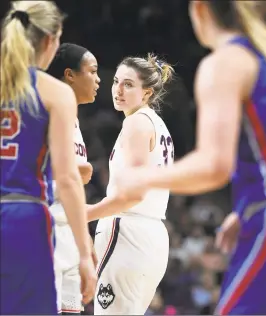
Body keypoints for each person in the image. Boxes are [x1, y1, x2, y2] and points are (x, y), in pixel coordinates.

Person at [115, 1, 266, 315]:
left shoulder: (226, 63)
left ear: (198, 9)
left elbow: (213, 165)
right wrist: (245, 207)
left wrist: (138, 178)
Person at [0, 2, 97, 315]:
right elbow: (68, 179)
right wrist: (85, 253)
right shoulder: (54, 92)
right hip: (25, 216)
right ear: (51, 41)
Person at [86, 54, 174, 315]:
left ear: (146, 93)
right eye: (116, 82)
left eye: (128, 84)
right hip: (152, 235)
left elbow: (132, 195)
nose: (118, 90)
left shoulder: (136, 123)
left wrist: (82, 214)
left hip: (128, 231)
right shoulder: (159, 126)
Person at [47, 43, 100, 315]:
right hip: (47, 228)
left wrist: (86, 241)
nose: (98, 79)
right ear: (70, 75)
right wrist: (68, 170)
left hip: (69, 231)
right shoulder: (46, 110)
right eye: (92, 71)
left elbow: (75, 189)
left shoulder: (74, 119)